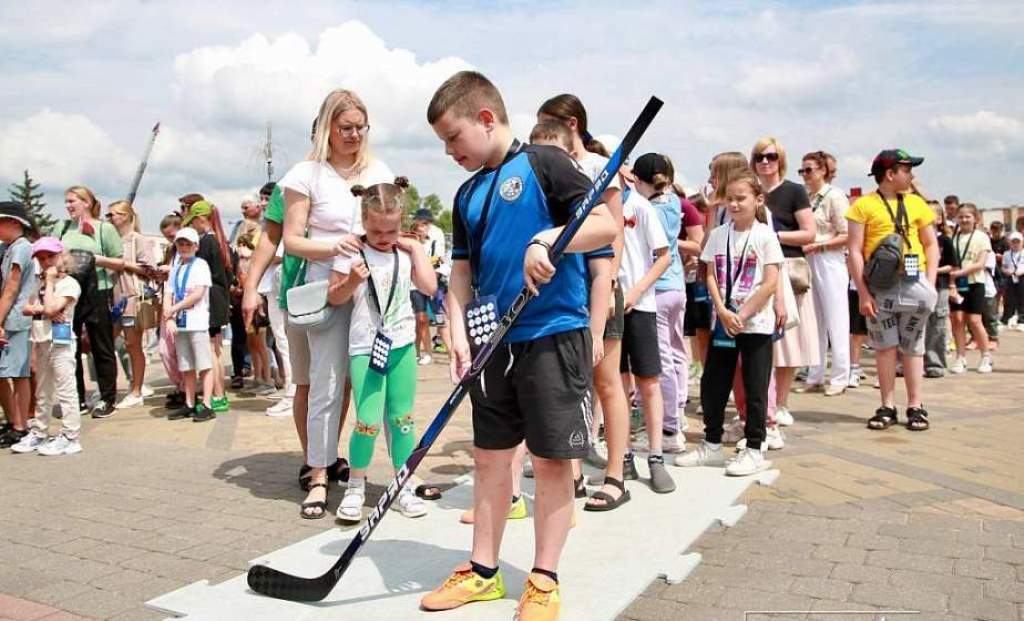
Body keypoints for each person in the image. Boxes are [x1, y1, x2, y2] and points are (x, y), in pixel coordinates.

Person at [422, 71, 616, 619]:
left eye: (454, 138)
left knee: (553, 463)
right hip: (492, 345)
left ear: (486, 119)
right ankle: (483, 570)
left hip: (553, 334)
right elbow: (461, 273)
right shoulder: (466, 194)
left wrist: (550, 237)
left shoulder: (545, 164)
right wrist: (455, 334)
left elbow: (603, 224)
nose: (450, 152)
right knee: (489, 460)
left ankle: (544, 579)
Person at [281, 90, 394, 518]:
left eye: (359, 127)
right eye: (345, 127)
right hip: (328, 287)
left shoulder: (378, 169)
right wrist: (331, 248)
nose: (353, 135)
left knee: (371, 382)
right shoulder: (306, 173)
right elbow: (292, 239)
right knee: (324, 384)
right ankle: (318, 474)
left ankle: (379, 472)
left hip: (372, 287)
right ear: (327, 127)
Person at [537, 93, 631, 509]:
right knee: (572, 385)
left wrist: (609, 284)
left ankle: (615, 474)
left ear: (571, 123)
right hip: (563, 291)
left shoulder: (598, 167)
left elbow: (614, 230)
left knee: (606, 380)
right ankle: (571, 470)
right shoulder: (546, 166)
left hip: (598, 284)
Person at [333, 179, 436, 522]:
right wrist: (350, 281)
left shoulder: (405, 253)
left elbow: (429, 286)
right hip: (366, 347)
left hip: (403, 344)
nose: (384, 236)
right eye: (377, 230)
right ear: (364, 221)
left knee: (403, 420)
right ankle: (356, 486)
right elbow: (334, 296)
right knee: (367, 421)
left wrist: (417, 248)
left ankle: (403, 485)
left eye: (391, 229)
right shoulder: (352, 250)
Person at [677, 170, 782, 476]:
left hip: (756, 324)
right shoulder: (720, 234)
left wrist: (744, 313)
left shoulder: (765, 236)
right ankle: (710, 444)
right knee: (714, 383)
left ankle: (754, 448)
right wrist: (722, 310)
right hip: (723, 321)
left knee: (754, 386)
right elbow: (709, 272)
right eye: (730, 199)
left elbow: (770, 281)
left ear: (757, 200)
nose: (735, 205)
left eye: (742, 198)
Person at [847, 149, 938, 432]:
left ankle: (915, 405)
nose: (911, 175)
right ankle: (887, 404)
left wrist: (930, 284)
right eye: (907, 170)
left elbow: (931, 244)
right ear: (890, 174)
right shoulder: (863, 206)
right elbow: (854, 250)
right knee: (884, 348)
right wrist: (863, 293)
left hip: (914, 282)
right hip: (880, 286)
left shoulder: (917, 204)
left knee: (913, 346)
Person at [751, 137, 817, 429]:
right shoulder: (750, 192)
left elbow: (809, 232)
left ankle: (782, 402)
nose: (765, 162)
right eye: (759, 157)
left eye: (771, 156)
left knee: (788, 341)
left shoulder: (794, 191)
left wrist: (773, 237)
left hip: (788, 269)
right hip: (754, 271)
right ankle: (763, 400)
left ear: (781, 159)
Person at [616, 169, 673, 493]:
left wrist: (636, 291)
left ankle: (655, 455)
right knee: (617, 383)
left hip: (641, 306)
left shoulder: (640, 206)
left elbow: (663, 257)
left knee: (649, 381)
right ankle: (622, 455)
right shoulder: (598, 206)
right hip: (610, 307)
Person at [634, 154, 688, 458]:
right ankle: (677, 412)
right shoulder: (675, 201)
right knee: (677, 353)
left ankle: (669, 428)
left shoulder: (646, 208)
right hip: (677, 286)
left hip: (658, 287)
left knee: (661, 360)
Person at [11, 239, 82, 455]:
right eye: (41, 258)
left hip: (61, 342)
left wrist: (49, 289)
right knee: (42, 390)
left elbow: (52, 308)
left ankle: (70, 435)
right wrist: (43, 308)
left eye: (50, 257)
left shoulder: (69, 283)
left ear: (62, 256)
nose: (45, 262)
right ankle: (40, 431)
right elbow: (26, 307)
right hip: (41, 339)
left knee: (66, 390)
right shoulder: (38, 283)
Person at [60, 186, 124, 419]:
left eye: (72, 201)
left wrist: (93, 259)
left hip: (98, 290)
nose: (68, 206)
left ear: (86, 202)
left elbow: (120, 262)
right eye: (66, 201)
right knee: (69, 347)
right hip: (68, 292)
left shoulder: (103, 229)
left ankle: (108, 398)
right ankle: (76, 397)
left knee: (101, 346)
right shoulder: (62, 228)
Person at [797, 151, 851, 396]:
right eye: (803, 170)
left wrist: (819, 245)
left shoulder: (835, 196)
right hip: (809, 259)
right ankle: (815, 373)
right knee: (813, 319)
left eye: (809, 170)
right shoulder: (806, 197)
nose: (805, 175)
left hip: (829, 257)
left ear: (822, 170)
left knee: (836, 317)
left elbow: (846, 233)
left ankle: (840, 375)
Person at [182, 200, 232, 413]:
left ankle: (218, 394)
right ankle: (219, 394)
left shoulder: (207, 243)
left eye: (193, 221)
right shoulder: (218, 240)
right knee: (216, 348)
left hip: (210, 301)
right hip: (219, 298)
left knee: (211, 348)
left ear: (201, 219)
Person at [162, 228, 216, 422]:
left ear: (195, 246)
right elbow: (168, 293)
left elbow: (197, 294)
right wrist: (168, 316)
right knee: (186, 365)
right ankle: (189, 402)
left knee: (203, 364)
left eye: (188, 244)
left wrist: (173, 309)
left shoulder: (200, 265)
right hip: (180, 323)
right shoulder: (176, 267)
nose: (184, 248)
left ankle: (208, 403)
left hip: (197, 320)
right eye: (180, 244)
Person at [107, 201, 156, 409]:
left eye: (113, 215)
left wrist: (123, 264)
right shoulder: (110, 240)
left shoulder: (137, 240)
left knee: (133, 345)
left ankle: (136, 388)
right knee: (105, 344)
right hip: (112, 297)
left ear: (125, 216)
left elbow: (150, 269)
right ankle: (111, 388)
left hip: (131, 297)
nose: (109, 219)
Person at [0, 203, 40, 449]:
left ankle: (20, 425)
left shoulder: (22, 248)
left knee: (18, 374)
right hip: (9, 317)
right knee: (5, 373)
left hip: (16, 319)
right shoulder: (8, 248)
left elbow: (12, 288)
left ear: (15, 223)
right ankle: (12, 419)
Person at [948, 203, 993, 374]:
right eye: (961, 216)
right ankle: (960, 357)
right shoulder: (953, 237)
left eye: (968, 216)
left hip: (975, 283)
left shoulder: (982, 237)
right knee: (957, 320)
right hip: (957, 285)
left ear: (975, 218)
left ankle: (986, 355)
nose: (964, 219)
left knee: (975, 321)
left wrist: (960, 272)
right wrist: (953, 278)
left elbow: (981, 263)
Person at [924, 200, 955, 377]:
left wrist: (934, 269)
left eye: (931, 214)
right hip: (919, 284)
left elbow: (952, 265)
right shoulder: (916, 237)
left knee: (937, 323)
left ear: (939, 218)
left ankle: (934, 362)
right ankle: (912, 361)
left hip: (940, 286)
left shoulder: (944, 240)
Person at [1000, 232, 1024, 329]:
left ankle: (1022, 320)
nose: (1015, 244)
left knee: (1022, 298)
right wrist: (1006, 271)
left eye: (1017, 241)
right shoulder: (1006, 254)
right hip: (1010, 277)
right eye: (1013, 241)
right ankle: (1006, 318)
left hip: (1022, 277)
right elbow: (1003, 266)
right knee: (1009, 298)